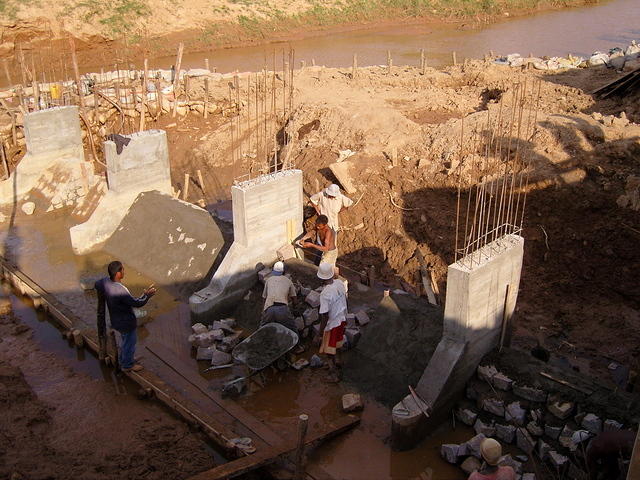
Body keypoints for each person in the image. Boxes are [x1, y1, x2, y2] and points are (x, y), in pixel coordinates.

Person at [95, 261, 156, 372]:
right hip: (126, 322)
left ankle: (126, 359)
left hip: (116, 320)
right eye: (122, 269)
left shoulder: (105, 282)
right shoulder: (120, 291)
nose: (124, 271)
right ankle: (127, 365)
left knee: (125, 341)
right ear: (118, 273)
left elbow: (97, 284)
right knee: (129, 343)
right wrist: (147, 295)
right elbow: (137, 303)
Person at [316, 262, 347, 382]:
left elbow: (324, 315)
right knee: (338, 343)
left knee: (328, 349)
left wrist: (319, 333)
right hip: (342, 319)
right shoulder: (339, 283)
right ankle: (339, 361)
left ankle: (334, 375)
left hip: (333, 324)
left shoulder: (325, 294)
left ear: (321, 277)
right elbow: (345, 299)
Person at [260, 261, 298, 333]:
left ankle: (259, 341)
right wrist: (295, 308)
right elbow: (294, 298)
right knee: (292, 329)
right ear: (284, 272)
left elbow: (264, 297)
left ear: (273, 271)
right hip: (282, 309)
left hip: (269, 308)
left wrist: (263, 311)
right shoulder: (288, 281)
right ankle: (297, 343)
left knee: (262, 328)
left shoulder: (268, 280)